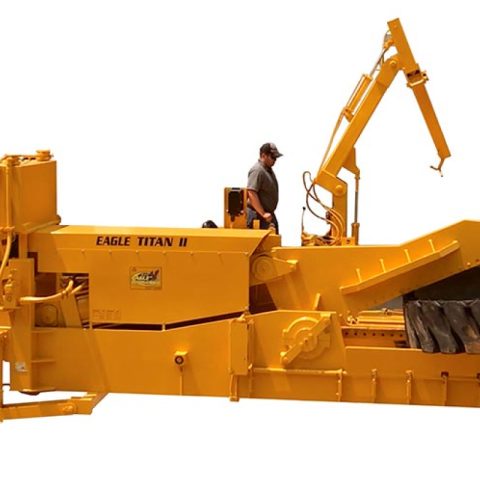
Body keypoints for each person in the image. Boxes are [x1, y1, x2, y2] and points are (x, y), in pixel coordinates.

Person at [247, 142, 283, 233]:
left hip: (267, 215)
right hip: (258, 216)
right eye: (272, 157)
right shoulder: (257, 170)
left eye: (276, 158)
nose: (275, 160)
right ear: (263, 155)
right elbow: (251, 192)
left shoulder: (267, 170)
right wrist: (263, 213)